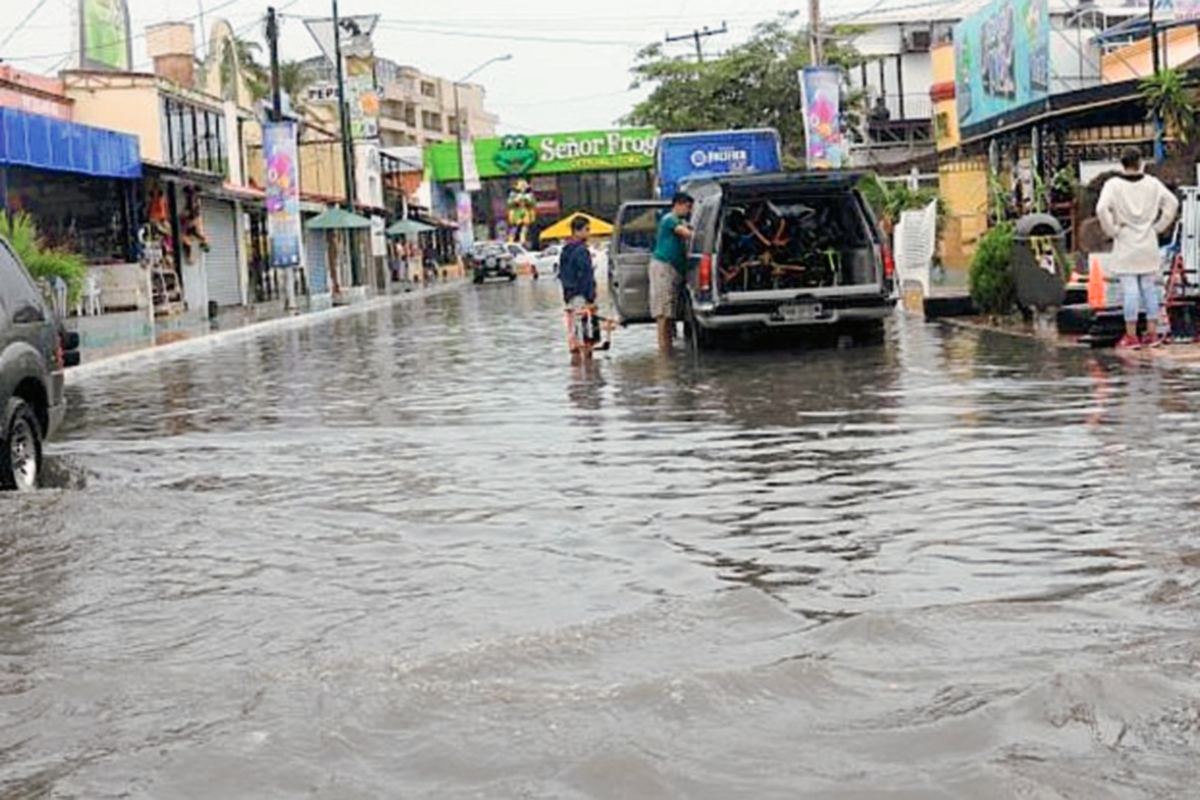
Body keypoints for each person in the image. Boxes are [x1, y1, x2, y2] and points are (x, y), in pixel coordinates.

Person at [1096, 146, 1179, 349]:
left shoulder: (1113, 185)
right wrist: (1159, 227)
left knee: (1130, 289)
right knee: (1149, 288)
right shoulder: (1152, 183)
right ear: (1140, 162)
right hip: (1148, 240)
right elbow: (1172, 203)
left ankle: (1131, 335)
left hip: (1125, 240)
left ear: (1122, 163)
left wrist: (1113, 230)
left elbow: (1101, 209)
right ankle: (1152, 333)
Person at [650, 192, 694, 352]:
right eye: (688, 207)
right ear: (679, 204)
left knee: (670, 310)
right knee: (663, 311)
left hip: (673, 268)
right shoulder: (669, 219)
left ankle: (668, 346)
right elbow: (686, 234)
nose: (689, 211)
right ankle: (664, 348)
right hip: (663, 266)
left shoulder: (679, 220)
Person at [559, 216, 599, 364]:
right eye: (587, 230)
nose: (589, 233)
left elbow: (563, 275)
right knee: (586, 334)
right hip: (582, 296)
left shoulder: (565, 250)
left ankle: (577, 369)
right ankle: (587, 366)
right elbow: (586, 276)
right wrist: (590, 298)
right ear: (577, 231)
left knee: (574, 332)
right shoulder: (582, 251)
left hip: (569, 296)